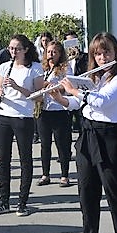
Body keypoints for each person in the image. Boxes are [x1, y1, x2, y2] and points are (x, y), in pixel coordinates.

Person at [54, 32, 117, 233]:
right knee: (87, 194)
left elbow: (101, 102)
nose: (102, 58)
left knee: (116, 196)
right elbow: (81, 105)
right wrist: (61, 98)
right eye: (97, 54)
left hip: (110, 139)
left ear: (116, 53)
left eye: (106, 52)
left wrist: (74, 90)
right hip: (87, 137)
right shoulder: (95, 78)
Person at [0, 34, 44, 217]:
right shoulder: (4, 67)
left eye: (17, 49)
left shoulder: (35, 68)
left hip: (23, 116)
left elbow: (39, 96)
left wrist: (17, 87)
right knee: (3, 160)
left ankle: (22, 202)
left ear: (26, 49)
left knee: (25, 160)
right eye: (10, 49)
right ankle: (3, 200)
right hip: (4, 115)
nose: (13, 52)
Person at [36, 40, 73, 188]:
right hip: (44, 110)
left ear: (60, 54)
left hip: (59, 110)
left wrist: (56, 88)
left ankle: (64, 175)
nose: (51, 55)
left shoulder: (65, 68)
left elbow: (68, 86)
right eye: (49, 52)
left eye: (54, 52)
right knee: (45, 144)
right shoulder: (41, 68)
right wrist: (44, 84)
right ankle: (46, 174)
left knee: (62, 144)